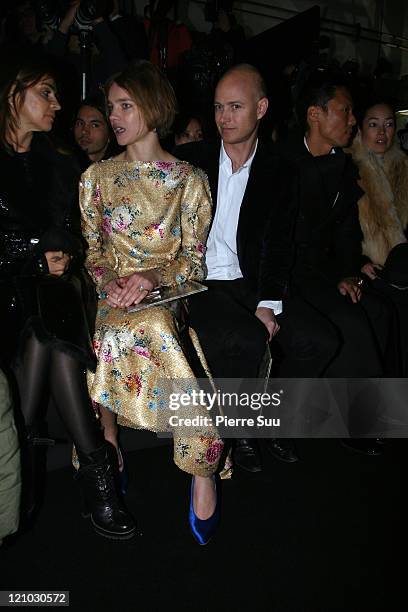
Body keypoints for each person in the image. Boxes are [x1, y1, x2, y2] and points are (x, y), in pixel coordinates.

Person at [79, 59, 223, 545]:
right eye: (110, 107)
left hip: (168, 292)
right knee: (118, 324)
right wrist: (110, 284)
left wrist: (151, 277)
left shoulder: (189, 180)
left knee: (156, 324)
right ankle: (111, 441)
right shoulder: (95, 179)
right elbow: (94, 254)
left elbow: (193, 264)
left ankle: (201, 463)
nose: (113, 117)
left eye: (125, 106)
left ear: (153, 107)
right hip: (113, 295)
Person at [174, 64, 336, 470]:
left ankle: (271, 420)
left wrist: (269, 303)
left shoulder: (281, 169)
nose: (223, 117)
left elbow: (279, 244)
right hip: (202, 281)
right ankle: (238, 428)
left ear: (261, 108)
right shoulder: (191, 159)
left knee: (320, 340)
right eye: (218, 107)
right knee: (245, 340)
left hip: (250, 279)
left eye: (235, 106)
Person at [0, 54, 135, 539]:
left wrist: (61, 256)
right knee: (46, 332)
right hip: (7, 294)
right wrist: (36, 256)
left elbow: (81, 236)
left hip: (54, 293)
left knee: (48, 334)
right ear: (15, 96)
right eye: (47, 94)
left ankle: (30, 469)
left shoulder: (60, 162)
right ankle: (97, 476)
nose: (57, 104)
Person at [276, 74, 394, 454]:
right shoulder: (279, 162)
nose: (353, 121)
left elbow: (345, 233)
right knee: (352, 321)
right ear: (315, 115)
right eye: (345, 111)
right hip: (283, 276)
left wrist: (348, 272)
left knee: (379, 310)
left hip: (322, 273)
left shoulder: (341, 166)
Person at [349, 99, 408, 373]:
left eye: (388, 125)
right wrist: (357, 262)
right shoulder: (349, 166)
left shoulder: (403, 166)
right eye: (374, 125)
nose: (382, 132)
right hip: (365, 269)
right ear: (360, 128)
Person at [73, 92, 120, 171]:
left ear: (110, 132)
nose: (84, 131)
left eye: (95, 125)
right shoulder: (62, 166)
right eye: (80, 123)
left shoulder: (120, 171)